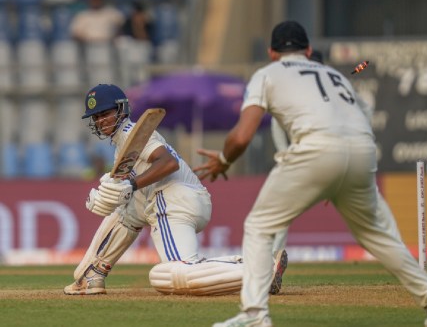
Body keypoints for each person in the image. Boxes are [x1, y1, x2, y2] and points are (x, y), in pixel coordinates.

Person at [195, 21, 427, 327]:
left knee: (258, 226)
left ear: (271, 52)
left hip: (316, 151)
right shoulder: (334, 75)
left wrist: (224, 160)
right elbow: (362, 117)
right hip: (362, 152)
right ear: (308, 50)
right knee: (379, 236)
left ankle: (254, 316)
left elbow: (241, 137)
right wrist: (338, 177)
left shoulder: (267, 74)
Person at [63, 83, 285, 297]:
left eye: (105, 113)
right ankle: (93, 274)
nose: (101, 121)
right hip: (178, 198)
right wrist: (114, 192)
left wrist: (131, 185)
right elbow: (129, 194)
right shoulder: (122, 140)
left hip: (171, 199)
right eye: (97, 117)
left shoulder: (131, 132)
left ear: (121, 109)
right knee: (125, 210)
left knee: (175, 274)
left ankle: (260, 268)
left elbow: (169, 163)